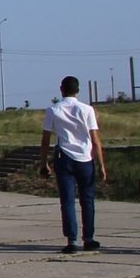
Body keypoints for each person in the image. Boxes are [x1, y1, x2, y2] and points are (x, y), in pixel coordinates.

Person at [39, 75, 106, 252]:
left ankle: (72, 240)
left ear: (61, 89)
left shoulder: (53, 110)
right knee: (88, 200)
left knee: (67, 200)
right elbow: (95, 139)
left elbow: (45, 139)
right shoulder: (87, 109)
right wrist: (101, 165)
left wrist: (43, 162)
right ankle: (89, 238)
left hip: (64, 157)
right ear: (78, 90)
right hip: (85, 157)